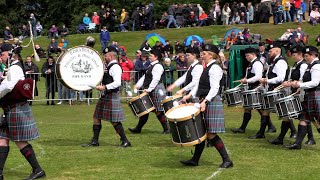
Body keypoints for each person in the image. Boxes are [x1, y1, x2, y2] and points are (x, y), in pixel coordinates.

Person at [180, 44, 233, 168]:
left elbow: (215, 88)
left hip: (211, 101)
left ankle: (227, 160)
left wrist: (205, 101)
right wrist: (189, 96)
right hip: (206, 100)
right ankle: (195, 160)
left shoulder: (215, 68)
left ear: (210, 54)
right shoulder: (207, 67)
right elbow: (201, 85)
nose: (202, 55)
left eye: (204, 53)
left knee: (211, 134)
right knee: (202, 132)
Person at [0, 52, 46, 179]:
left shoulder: (15, 68)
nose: (1, 57)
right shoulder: (12, 67)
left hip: (16, 109)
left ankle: (38, 170)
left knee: (20, 141)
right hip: (10, 109)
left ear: (10, 55)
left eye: (2, 54)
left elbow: (8, 86)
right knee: (2, 140)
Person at [82, 51, 131, 148]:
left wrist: (104, 87)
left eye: (106, 55)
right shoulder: (109, 66)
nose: (104, 57)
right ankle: (95, 141)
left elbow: (118, 83)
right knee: (96, 117)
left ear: (111, 56)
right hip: (106, 95)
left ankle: (125, 141)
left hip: (111, 95)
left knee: (114, 120)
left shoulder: (115, 67)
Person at [268, 46, 310, 146]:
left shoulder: (303, 65)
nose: (292, 57)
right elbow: (293, 78)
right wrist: (288, 82)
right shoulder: (296, 64)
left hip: (300, 92)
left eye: (294, 55)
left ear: (300, 55)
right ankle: (280, 138)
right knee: (288, 116)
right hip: (294, 92)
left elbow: (302, 80)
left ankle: (310, 138)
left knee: (304, 117)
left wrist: (291, 84)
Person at [250, 43, 289, 139]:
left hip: (279, 90)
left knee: (284, 114)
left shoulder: (280, 62)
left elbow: (281, 78)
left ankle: (285, 136)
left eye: (271, 51)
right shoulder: (274, 61)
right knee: (265, 111)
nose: (269, 53)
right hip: (272, 89)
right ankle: (261, 133)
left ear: (277, 51)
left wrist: (267, 80)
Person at [285, 46, 320, 149]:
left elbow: (315, 82)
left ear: (313, 55)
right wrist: (296, 83)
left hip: (316, 95)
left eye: (307, 56)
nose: (305, 58)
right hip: (308, 95)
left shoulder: (316, 66)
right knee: (303, 119)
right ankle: (297, 144)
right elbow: (304, 80)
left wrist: (300, 85)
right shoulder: (310, 65)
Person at [129, 49, 169, 134]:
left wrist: (149, 89)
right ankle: (138, 128)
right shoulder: (151, 65)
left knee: (159, 110)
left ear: (156, 57)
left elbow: (156, 79)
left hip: (156, 89)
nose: (149, 57)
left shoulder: (158, 66)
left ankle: (167, 129)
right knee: (145, 109)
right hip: (152, 89)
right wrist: (138, 85)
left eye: (151, 56)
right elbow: (145, 77)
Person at [231, 47, 264, 134]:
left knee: (260, 109)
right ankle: (242, 128)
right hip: (251, 87)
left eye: (247, 55)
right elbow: (251, 75)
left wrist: (247, 80)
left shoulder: (257, 63)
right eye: (245, 56)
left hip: (256, 88)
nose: (246, 57)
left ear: (253, 54)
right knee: (248, 108)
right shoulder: (251, 64)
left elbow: (258, 76)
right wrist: (246, 78)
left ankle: (270, 127)